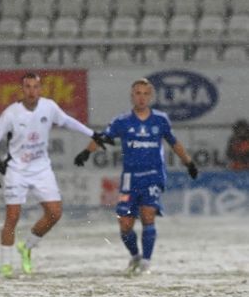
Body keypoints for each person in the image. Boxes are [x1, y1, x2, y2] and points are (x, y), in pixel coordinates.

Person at [0, 72, 112, 278]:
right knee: (12, 216)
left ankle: (26, 247)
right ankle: (5, 265)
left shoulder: (49, 107)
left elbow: (68, 121)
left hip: (42, 168)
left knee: (55, 213)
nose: (32, 91)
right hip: (17, 169)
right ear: (22, 89)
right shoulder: (11, 113)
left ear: (40, 89)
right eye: (27, 87)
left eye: (35, 87)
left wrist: (93, 134)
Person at [74, 78, 198, 275]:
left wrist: (189, 162)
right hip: (130, 178)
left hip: (153, 175)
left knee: (148, 215)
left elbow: (174, 143)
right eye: (138, 93)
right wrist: (86, 152)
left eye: (145, 93)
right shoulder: (122, 121)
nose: (142, 97)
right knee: (124, 223)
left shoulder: (160, 120)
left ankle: (146, 262)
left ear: (151, 96)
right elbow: (103, 138)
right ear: (132, 96)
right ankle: (135, 256)